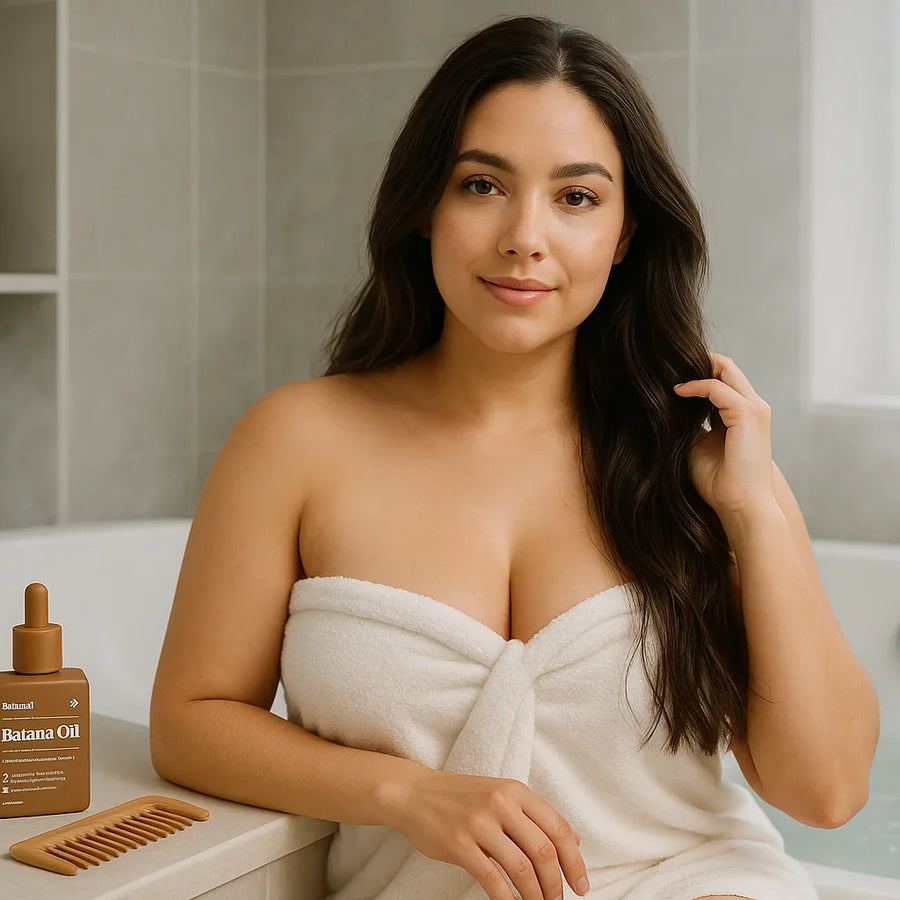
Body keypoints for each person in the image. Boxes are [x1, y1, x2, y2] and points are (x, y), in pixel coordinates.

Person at [149, 14, 878, 900]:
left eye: (576, 197)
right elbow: (190, 723)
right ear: (425, 205)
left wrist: (755, 512)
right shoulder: (297, 439)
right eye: (483, 184)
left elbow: (827, 793)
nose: (524, 236)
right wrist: (406, 793)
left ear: (625, 233)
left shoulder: (701, 460)